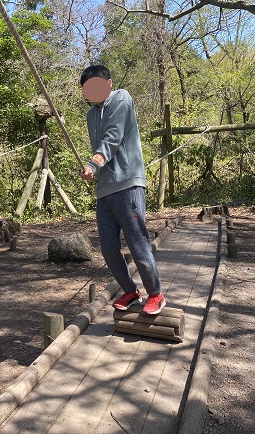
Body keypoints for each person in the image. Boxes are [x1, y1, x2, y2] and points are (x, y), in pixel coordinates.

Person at [79, 65, 165, 315]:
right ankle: (130, 289)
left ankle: (156, 294)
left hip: (128, 182)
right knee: (107, 246)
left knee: (137, 242)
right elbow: (101, 145)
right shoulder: (90, 116)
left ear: (109, 83)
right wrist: (93, 169)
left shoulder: (121, 98)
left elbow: (113, 138)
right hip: (104, 188)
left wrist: (93, 164)